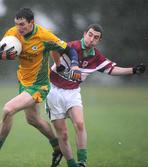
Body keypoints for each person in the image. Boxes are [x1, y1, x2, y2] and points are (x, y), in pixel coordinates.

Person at [0, 7, 81, 167]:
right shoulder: (13, 33)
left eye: (22, 24)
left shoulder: (44, 36)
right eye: (17, 24)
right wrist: (1, 55)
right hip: (23, 82)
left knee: (8, 109)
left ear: (32, 22)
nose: (19, 28)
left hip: (39, 85)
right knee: (33, 119)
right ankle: (57, 147)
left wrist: (74, 65)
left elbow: (69, 50)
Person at [46, 24, 146, 167]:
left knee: (80, 124)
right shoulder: (72, 46)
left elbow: (111, 69)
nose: (91, 39)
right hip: (53, 90)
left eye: (96, 37)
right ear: (85, 34)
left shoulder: (96, 57)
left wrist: (133, 70)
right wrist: (58, 64)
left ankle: (82, 162)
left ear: (99, 41)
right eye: (90, 35)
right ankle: (71, 163)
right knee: (63, 134)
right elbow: (54, 49)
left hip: (73, 91)